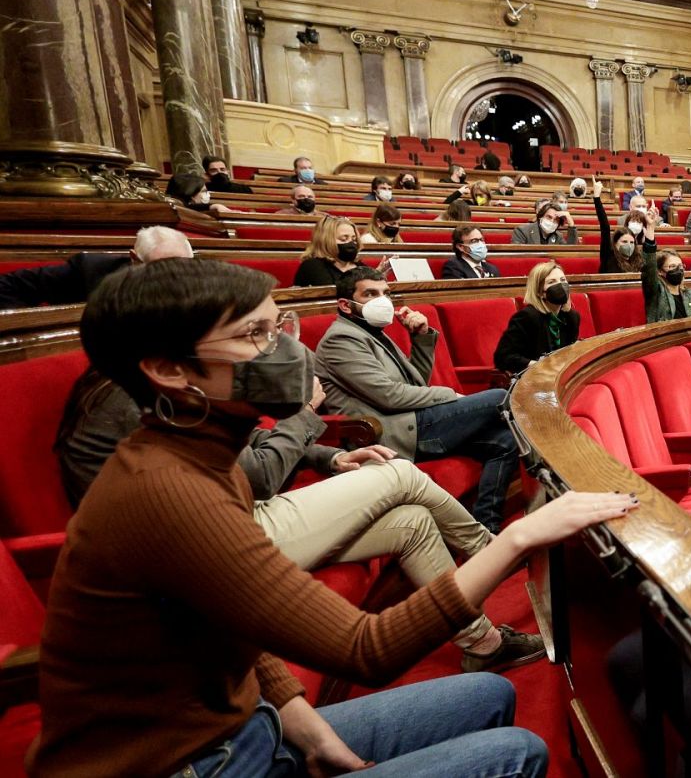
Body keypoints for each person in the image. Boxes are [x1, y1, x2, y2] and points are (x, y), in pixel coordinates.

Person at [35, 257, 634, 776]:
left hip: (250, 730)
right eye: (255, 337)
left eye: (280, 329)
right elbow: (365, 649)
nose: (288, 353)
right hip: (192, 765)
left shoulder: (197, 453)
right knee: (517, 752)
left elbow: (234, 625)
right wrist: (519, 537)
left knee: (486, 694)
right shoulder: (168, 491)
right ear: (170, 370)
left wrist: (309, 730)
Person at [54, 366, 544, 675]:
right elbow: (261, 473)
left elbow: (252, 448)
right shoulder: (140, 399)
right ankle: (502, 554)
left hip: (234, 510)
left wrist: (329, 458)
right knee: (398, 473)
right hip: (214, 539)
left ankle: (481, 641)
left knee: (413, 520)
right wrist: (308, 411)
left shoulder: (157, 379)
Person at [318, 268, 520, 530]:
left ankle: (486, 527)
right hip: (390, 433)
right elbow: (389, 396)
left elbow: (414, 386)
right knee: (499, 397)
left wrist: (421, 338)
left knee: (505, 441)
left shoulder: (371, 333)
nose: (383, 300)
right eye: (370, 294)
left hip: (413, 421)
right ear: (346, 305)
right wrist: (450, 395)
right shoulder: (341, 339)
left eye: (386, 293)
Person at [0, 225, 192, 310]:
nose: (173, 276)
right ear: (134, 259)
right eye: (159, 267)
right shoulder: (90, 271)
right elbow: (7, 286)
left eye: (182, 266)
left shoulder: (204, 279)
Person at [494, 261, 581, 373]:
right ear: (540, 292)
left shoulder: (572, 317)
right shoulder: (527, 317)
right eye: (552, 282)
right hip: (531, 379)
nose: (560, 285)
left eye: (563, 280)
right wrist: (536, 365)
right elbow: (503, 357)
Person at [641, 223, 691, 323]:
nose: (678, 270)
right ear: (660, 271)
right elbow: (649, 269)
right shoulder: (656, 292)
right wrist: (650, 236)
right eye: (672, 266)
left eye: (680, 266)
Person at [293, 216, 363, 288]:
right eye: (343, 239)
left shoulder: (359, 265)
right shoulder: (313, 265)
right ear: (325, 241)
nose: (351, 243)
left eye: (354, 240)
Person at [595, 181, 647, 273]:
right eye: (624, 241)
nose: (629, 245)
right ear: (615, 243)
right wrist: (596, 198)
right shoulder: (609, 255)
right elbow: (605, 228)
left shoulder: (637, 259)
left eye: (631, 242)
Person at [511, 201, 578, 245]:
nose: (552, 221)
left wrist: (571, 223)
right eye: (549, 217)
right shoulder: (522, 231)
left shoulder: (558, 236)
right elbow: (518, 257)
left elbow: (569, 252)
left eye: (556, 220)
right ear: (540, 217)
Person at [166, 170, 233, 214]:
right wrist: (212, 206)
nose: (208, 194)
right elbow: (186, 207)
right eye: (204, 191)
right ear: (191, 195)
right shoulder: (173, 209)